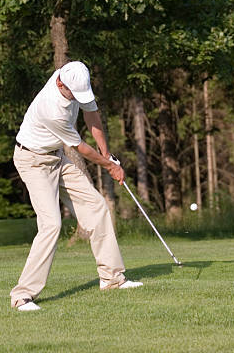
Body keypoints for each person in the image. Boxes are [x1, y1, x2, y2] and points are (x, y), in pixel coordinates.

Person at [10, 61, 142, 312]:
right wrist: (110, 166)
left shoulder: (75, 76)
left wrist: (108, 153)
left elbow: (92, 114)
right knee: (52, 224)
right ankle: (22, 295)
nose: (77, 98)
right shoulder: (51, 108)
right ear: (59, 83)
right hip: (33, 160)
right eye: (73, 94)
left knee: (96, 206)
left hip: (57, 156)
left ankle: (112, 279)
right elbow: (80, 147)